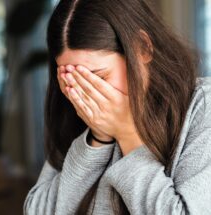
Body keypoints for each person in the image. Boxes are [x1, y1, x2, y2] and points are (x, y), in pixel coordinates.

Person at [23, 0, 211, 214]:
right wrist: (97, 139)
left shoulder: (203, 106)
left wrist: (127, 135)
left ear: (143, 48)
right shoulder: (76, 112)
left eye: (98, 77)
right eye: (72, 80)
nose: (84, 93)